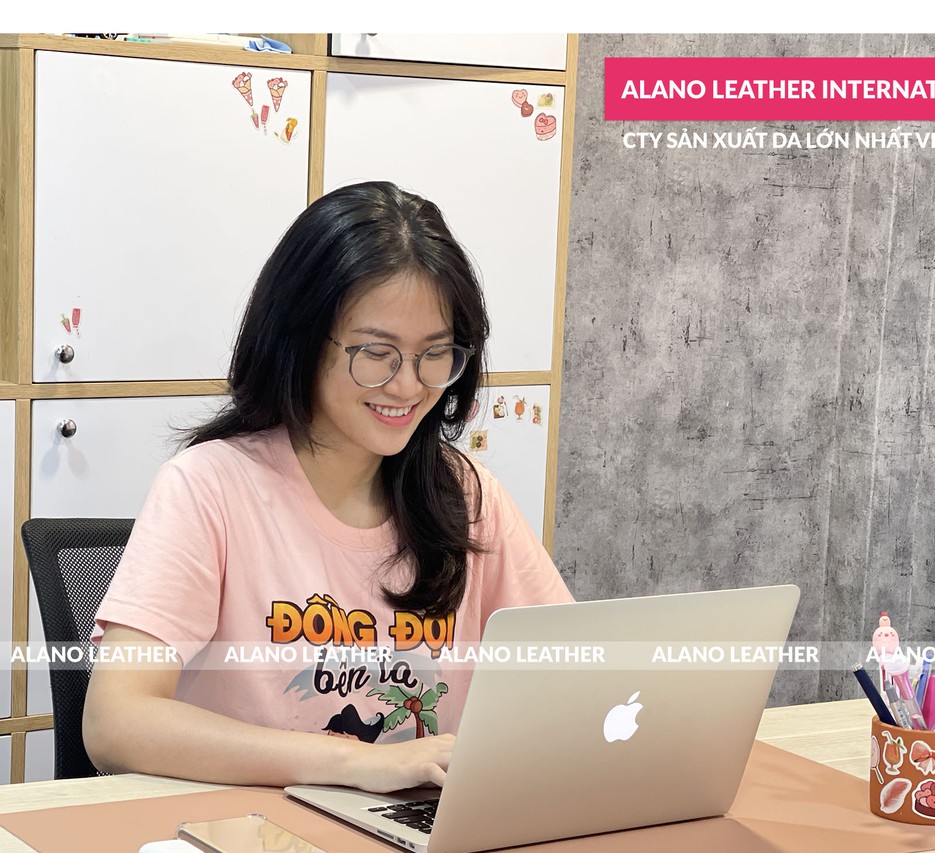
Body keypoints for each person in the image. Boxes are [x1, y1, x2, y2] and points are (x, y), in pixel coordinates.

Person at [83, 181, 572, 792]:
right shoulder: (210, 488)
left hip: (419, 832)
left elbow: (577, 675)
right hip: (250, 831)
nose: (407, 386)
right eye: (376, 352)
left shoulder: (467, 497)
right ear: (302, 339)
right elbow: (117, 721)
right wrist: (355, 763)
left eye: (436, 354)